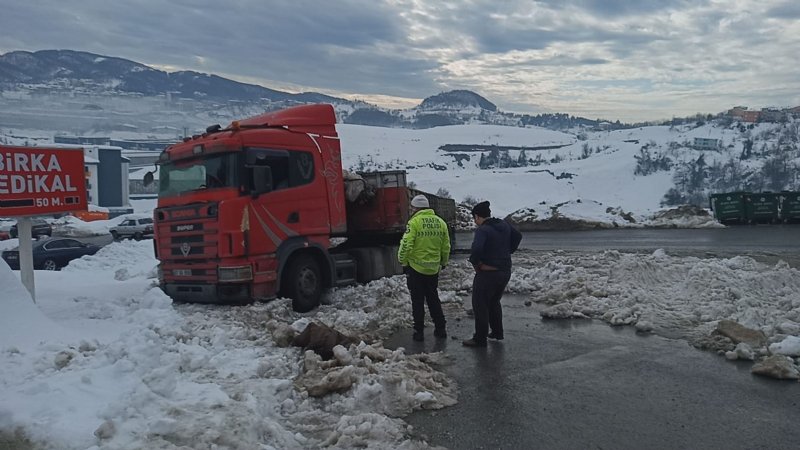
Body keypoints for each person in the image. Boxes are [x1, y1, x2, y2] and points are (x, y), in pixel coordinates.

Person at [463, 201, 522, 347]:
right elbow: (518, 236)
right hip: (505, 271)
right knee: (494, 301)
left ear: (477, 217)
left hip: (488, 272)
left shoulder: (483, 230)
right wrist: (508, 251)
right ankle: (497, 332)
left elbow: (476, 249)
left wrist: (476, 263)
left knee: (480, 304)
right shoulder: (503, 224)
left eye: (474, 218)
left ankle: (479, 339)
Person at [398, 194, 451, 341]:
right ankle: (441, 329)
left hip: (415, 268)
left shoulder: (414, 222)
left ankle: (419, 332)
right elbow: (446, 246)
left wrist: (402, 261)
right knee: (433, 298)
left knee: (418, 301)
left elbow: (406, 244)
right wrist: (444, 262)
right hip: (433, 269)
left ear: (415, 208)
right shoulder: (441, 222)